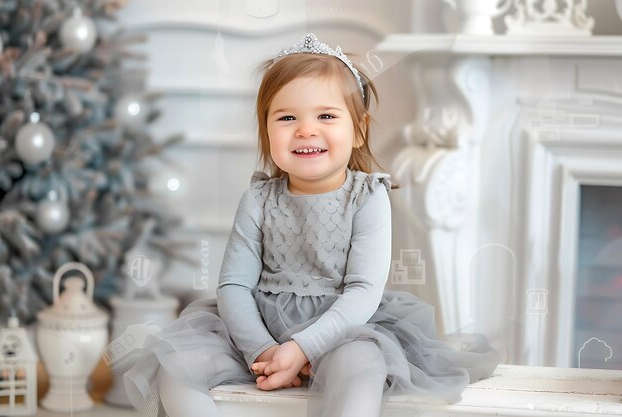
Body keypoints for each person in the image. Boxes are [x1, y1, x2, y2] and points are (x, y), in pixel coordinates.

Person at [123, 33, 500, 417]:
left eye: (326, 116)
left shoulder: (368, 197)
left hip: (341, 329)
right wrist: (265, 349)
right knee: (177, 367)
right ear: (266, 131)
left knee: (362, 366)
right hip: (257, 328)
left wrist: (304, 347)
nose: (305, 129)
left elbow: (364, 290)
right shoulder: (258, 199)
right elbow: (234, 285)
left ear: (359, 130)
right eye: (287, 117)